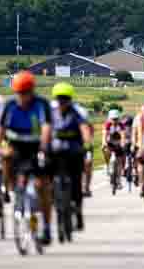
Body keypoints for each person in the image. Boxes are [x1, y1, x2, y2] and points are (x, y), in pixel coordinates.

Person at [0, 71, 53, 244]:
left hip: (36, 146)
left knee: (43, 186)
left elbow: (46, 128)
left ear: (32, 91)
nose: (23, 97)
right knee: (6, 157)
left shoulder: (41, 104)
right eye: (19, 93)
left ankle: (47, 228)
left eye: (26, 92)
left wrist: (44, 147)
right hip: (16, 145)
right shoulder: (8, 105)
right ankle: (10, 189)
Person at [49, 82, 91, 231]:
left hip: (74, 152)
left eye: (65, 98)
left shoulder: (76, 112)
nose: (62, 101)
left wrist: (87, 144)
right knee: (47, 175)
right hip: (55, 152)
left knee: (76, 182)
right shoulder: (51, 112)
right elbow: (45, 129)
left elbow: (84, 128)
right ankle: (53, 198)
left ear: (70, 99)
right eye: (59, 98)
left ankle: (78, 212)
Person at [102, 109, 126, 188]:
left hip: (118, 144)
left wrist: (123, 143)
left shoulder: (121, 125)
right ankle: (107, 164)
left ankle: (119, 181)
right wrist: (104, 143)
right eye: (113, 119)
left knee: (119, 161)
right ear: (109, 118)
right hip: (109, 143)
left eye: (116, 119)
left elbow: (123, 135)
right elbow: (104, 134)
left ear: (118, 118)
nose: (114, 121)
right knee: (105, 150)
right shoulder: (107, 124)